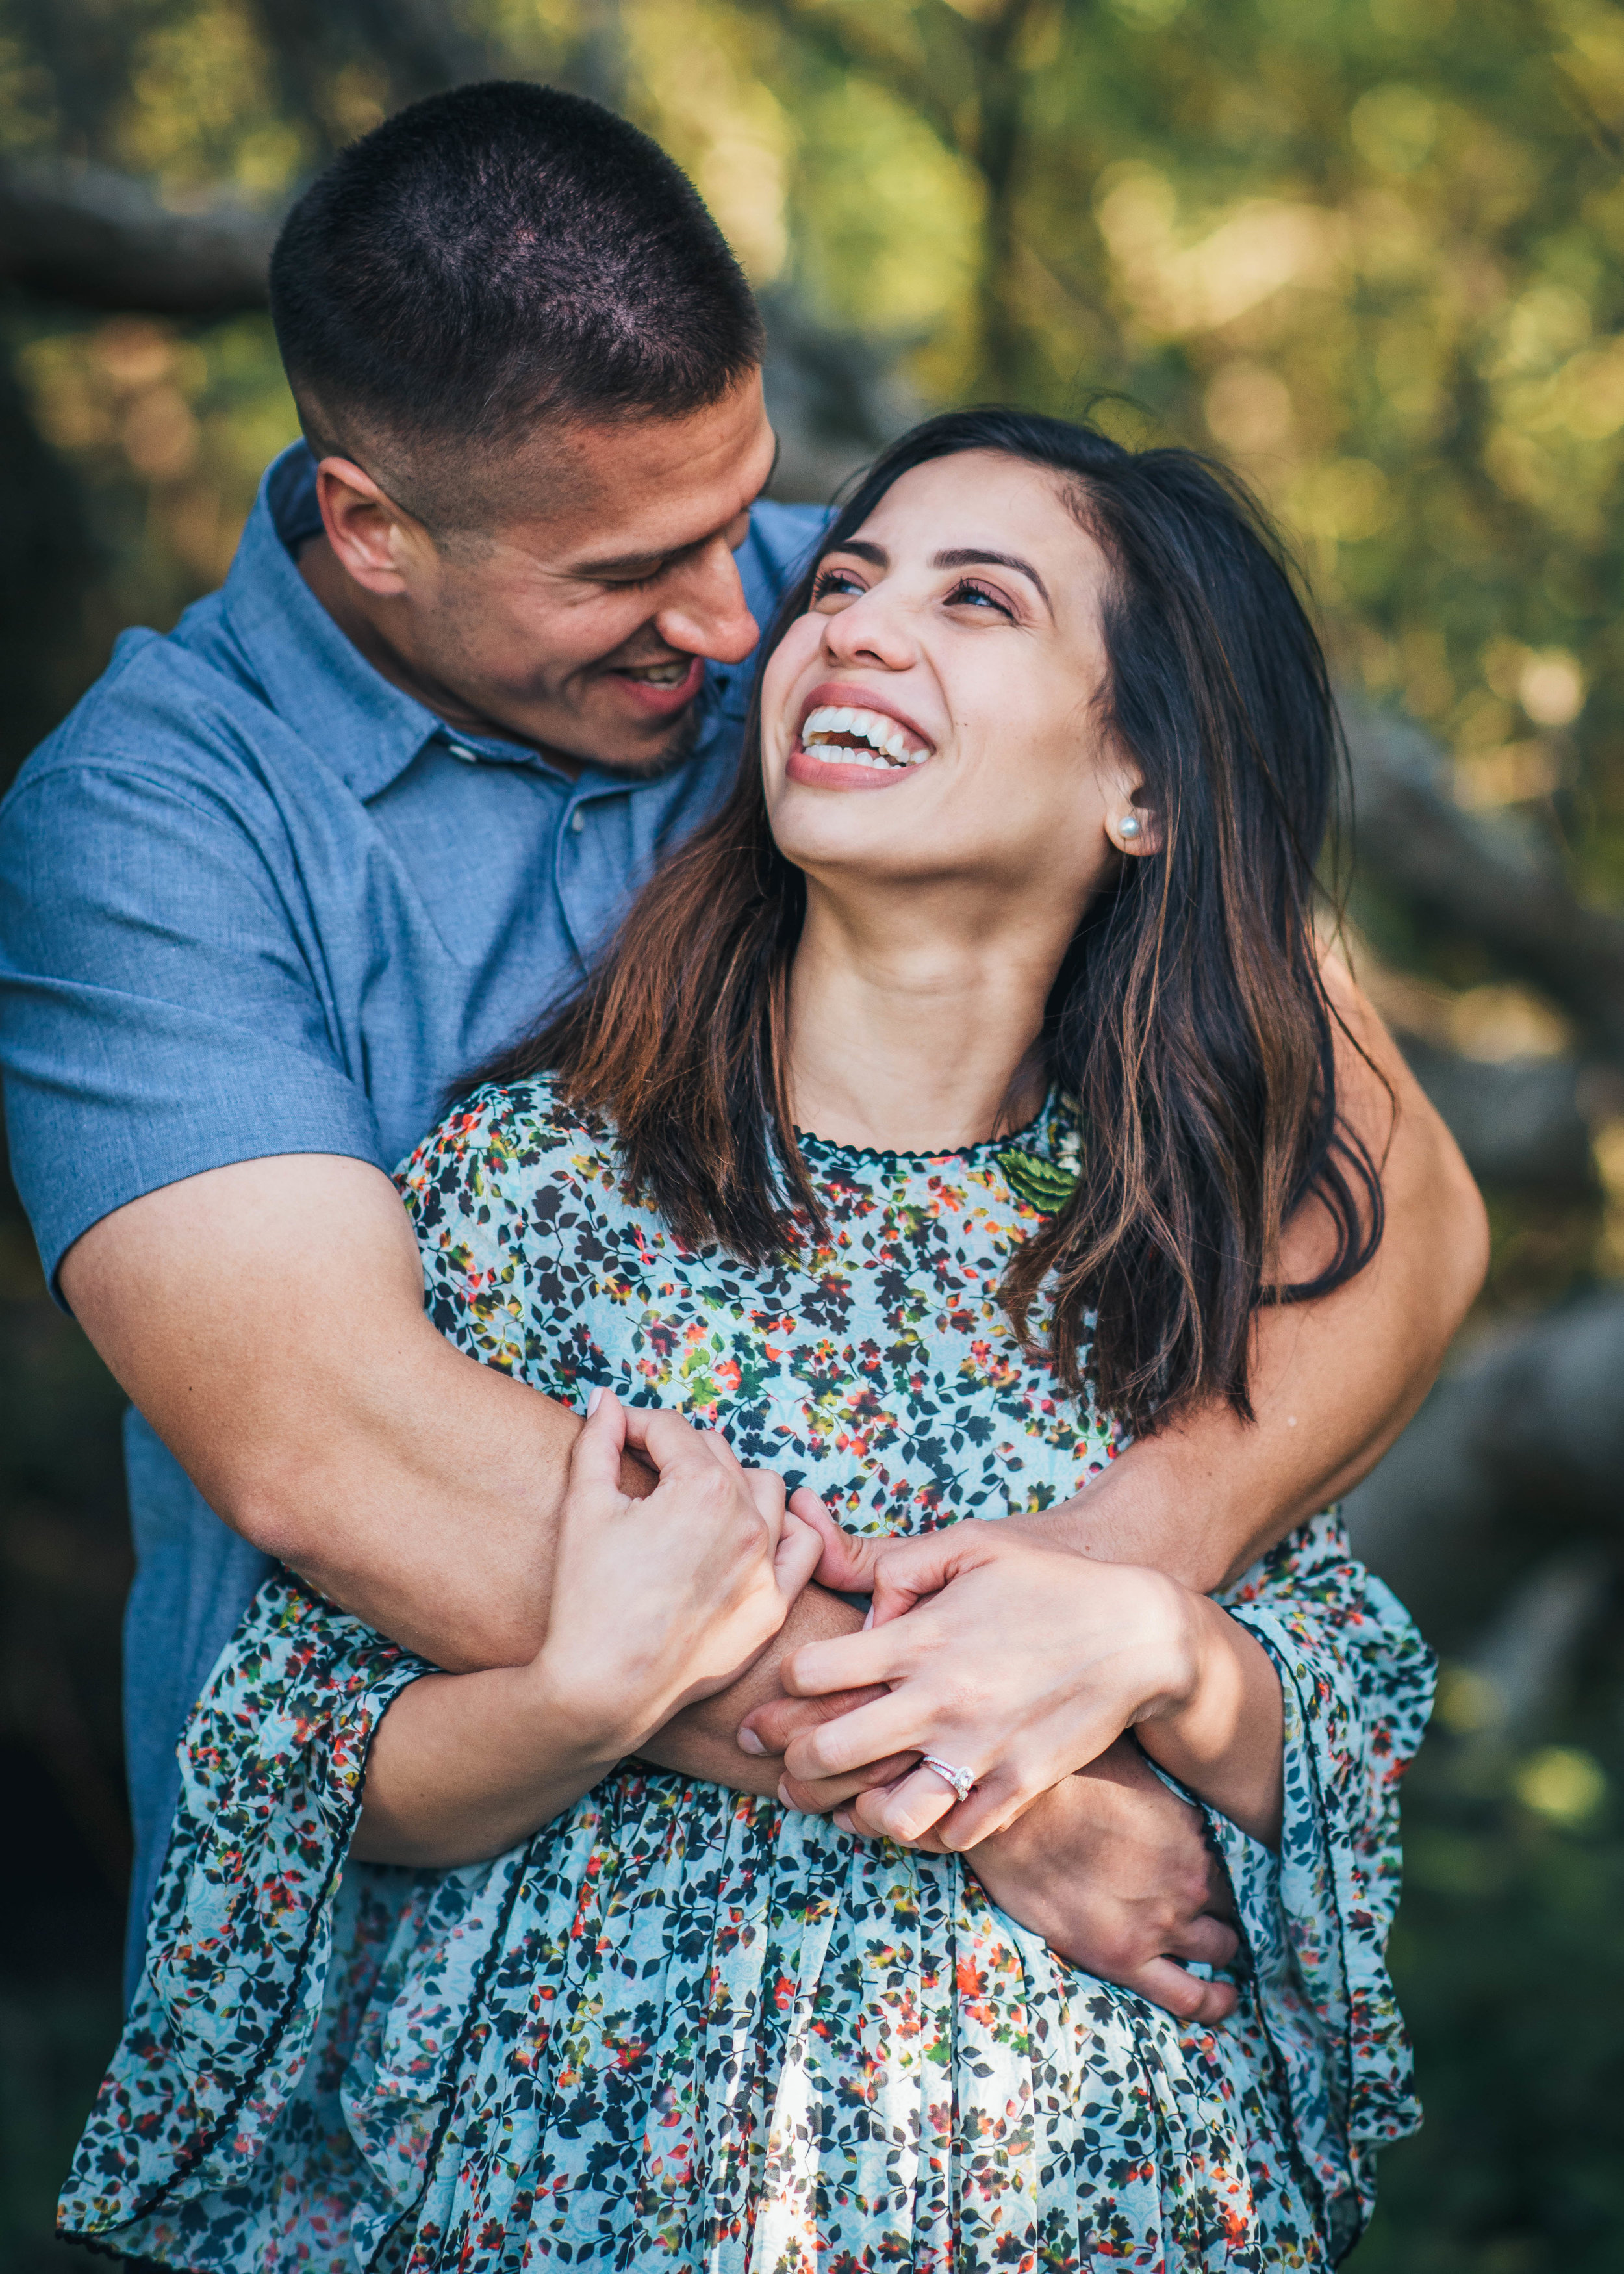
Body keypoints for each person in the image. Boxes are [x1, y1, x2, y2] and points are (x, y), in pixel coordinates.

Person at [0, 83, 1478, 2029]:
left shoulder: (858, 629)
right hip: (427, 2000)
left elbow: (1405, 1204)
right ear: (370, 526)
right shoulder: (154, 822)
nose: (735, 614)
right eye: (624, 574)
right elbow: (339, 1448)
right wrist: (954, 1766)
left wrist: (1094, 1590)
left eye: (748, 508)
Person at [64, 409, 1441, 2269]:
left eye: (973, 601)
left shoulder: (1181, 1226)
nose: (813, 617)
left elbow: (1334, 1721)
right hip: (576, 2191)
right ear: (376, 524)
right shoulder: (529, 1187)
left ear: (1146, 788)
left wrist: (1155, 1633)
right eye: (853, 579)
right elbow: (305, 1739)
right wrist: (601, 1701)